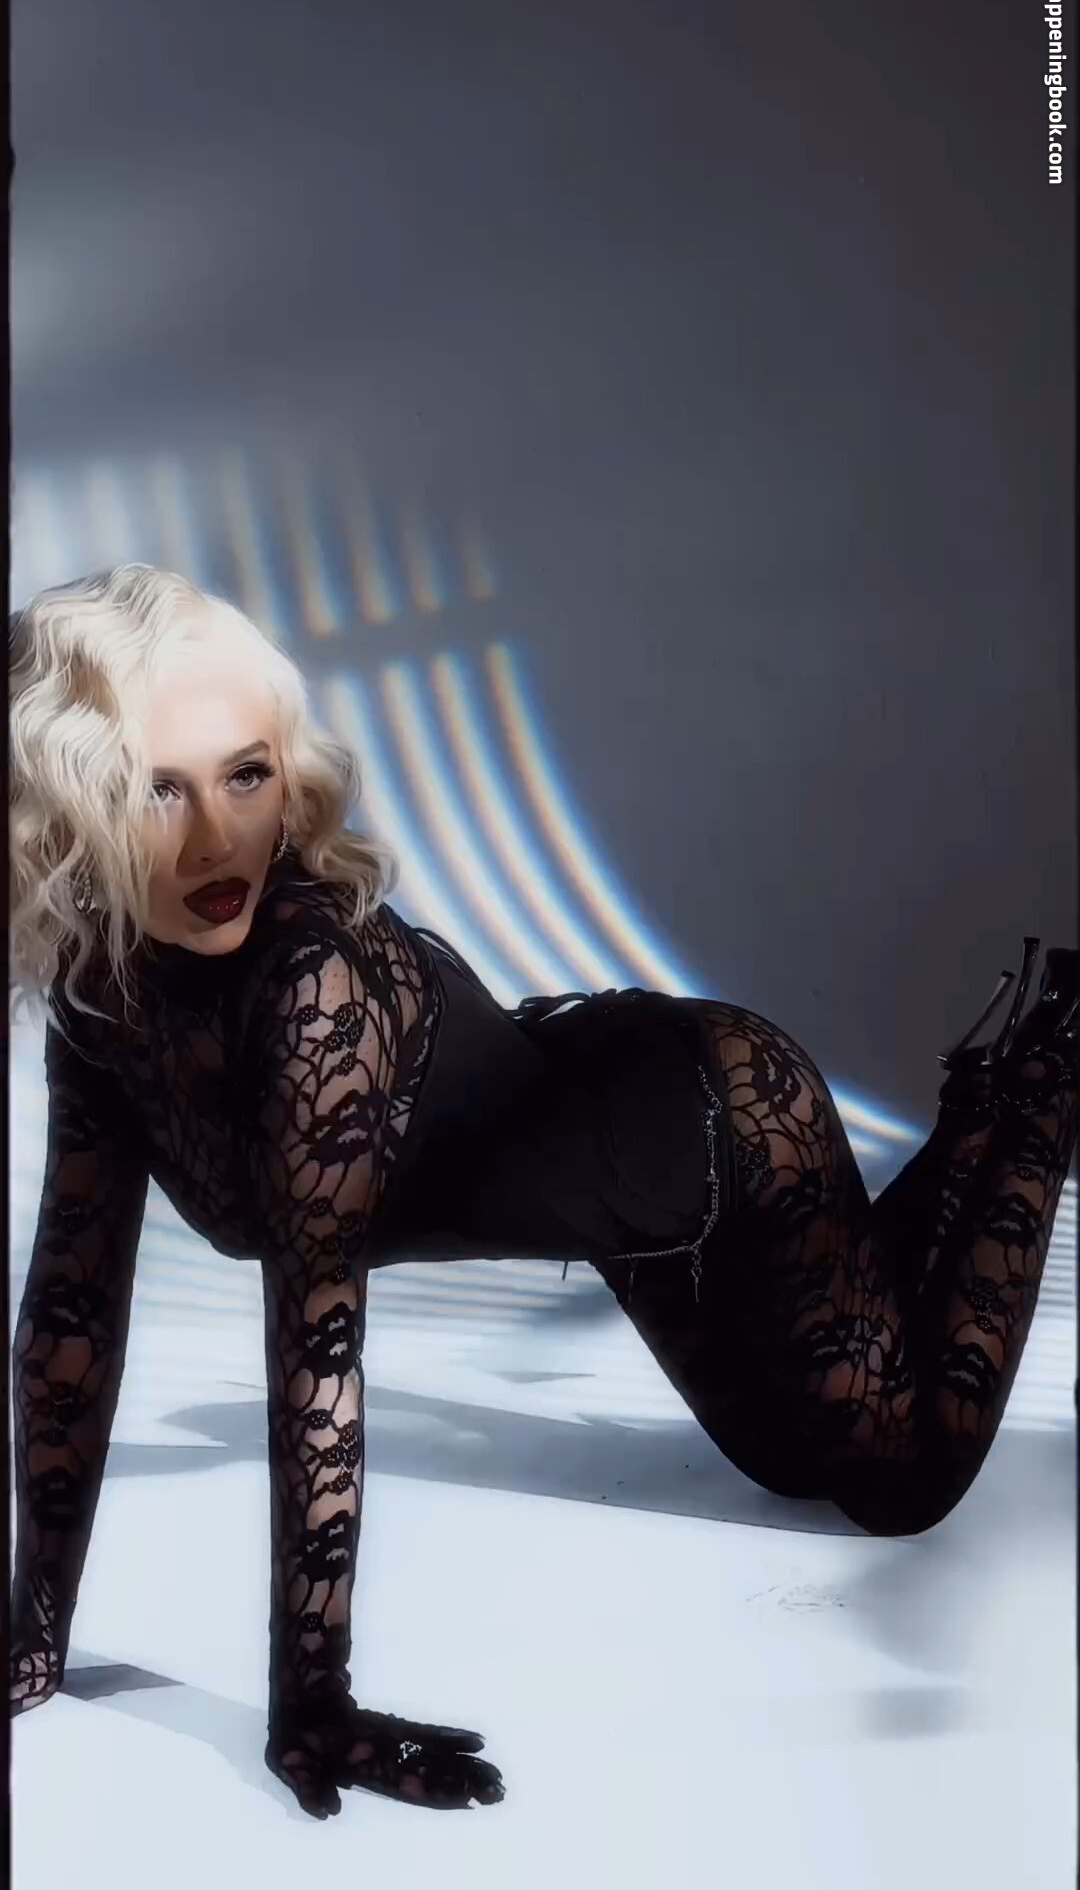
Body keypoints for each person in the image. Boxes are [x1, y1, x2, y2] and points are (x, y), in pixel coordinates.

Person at [9, 563, 1077, 1820]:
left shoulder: (308, 986)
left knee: (898, 1483)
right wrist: (36, 1633)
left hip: (725, 1124)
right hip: (631, 1219)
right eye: (155, 789)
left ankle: (1040, 1091)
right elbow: (72, 1313)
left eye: (247, 775)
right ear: (68, 805)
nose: (214, 840)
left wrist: (315, 1702)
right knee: (795, 1466)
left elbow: (317, 1347)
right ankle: (983, 1104)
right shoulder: (103, 995)